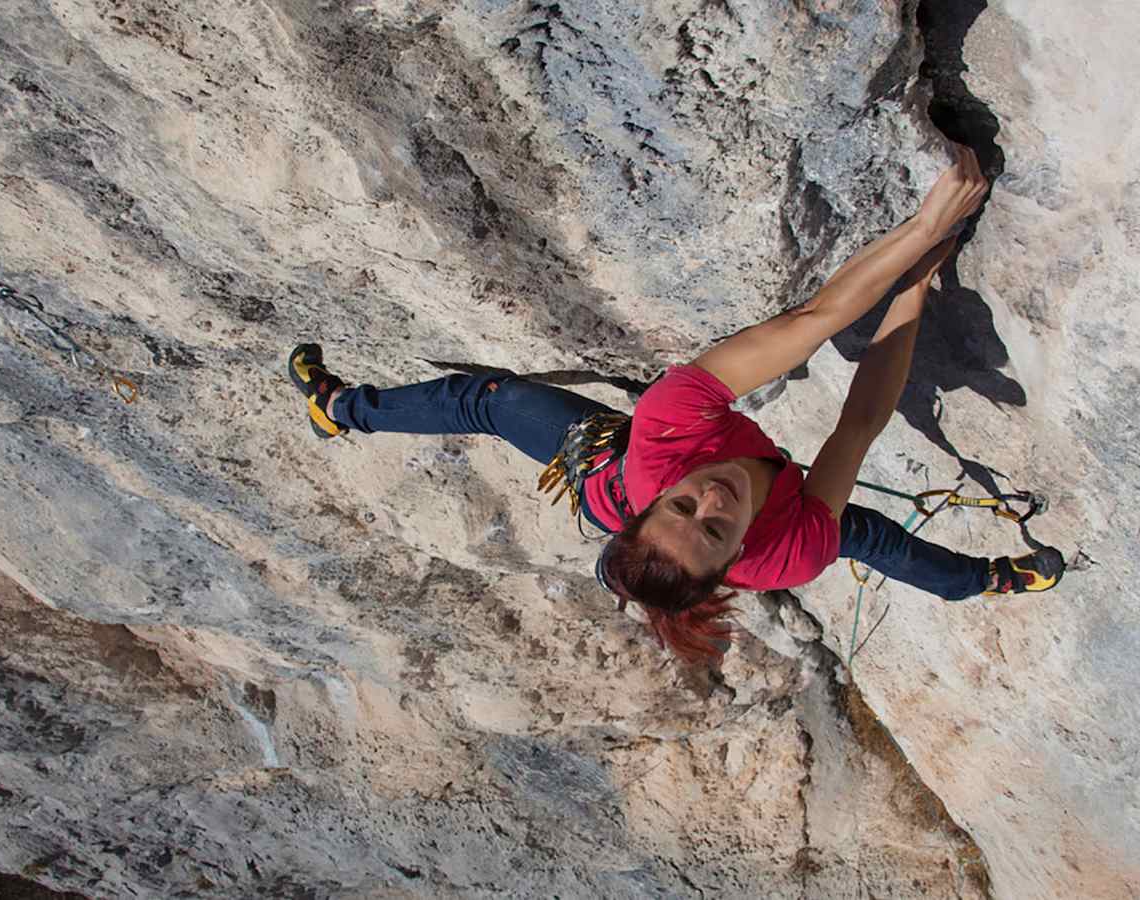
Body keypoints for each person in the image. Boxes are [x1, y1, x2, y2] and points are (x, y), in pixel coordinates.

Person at [287, 146, 1063, 666]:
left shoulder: (660, 434)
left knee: (488, 400)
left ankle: (339, 409)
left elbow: (813, 323)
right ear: (738, 560)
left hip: (605, 461)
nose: (713, 499)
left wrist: (927, 228)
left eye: (683, 504)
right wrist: (918, 285)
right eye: (717, 525)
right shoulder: (786, 551)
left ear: (652, 495)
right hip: (765, 518)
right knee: (870, 539)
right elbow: (860, 420)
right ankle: (979, 579)